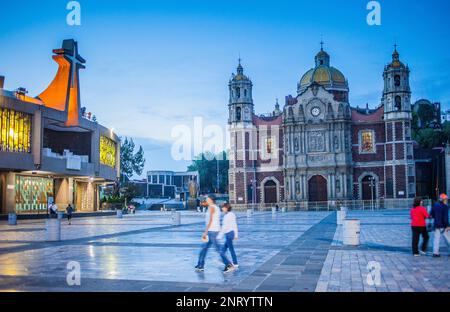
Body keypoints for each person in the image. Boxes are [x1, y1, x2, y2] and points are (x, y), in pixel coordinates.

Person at [195, 194, 232, 273]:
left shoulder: (212, 207)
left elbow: (210, 220)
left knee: (218, 249)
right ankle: (200, 264)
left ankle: (228, 264)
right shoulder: (215, 207)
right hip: (213, 230)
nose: (206, 200)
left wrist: (205, 232)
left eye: (207, 199)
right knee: (204, 248)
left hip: (212, 231)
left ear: (211, 199)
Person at [218, 203, 239, 270]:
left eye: (223, 208)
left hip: (229, 234)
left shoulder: (227, 216)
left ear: (226, 208)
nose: (222, 209)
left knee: (230, 249)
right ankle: (223, 258)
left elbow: (224, 227)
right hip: (231, 233)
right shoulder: (232, 214)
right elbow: (234, 225)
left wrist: (220, 236)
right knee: (224, 248)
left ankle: (235, 263)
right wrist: (235, 234)